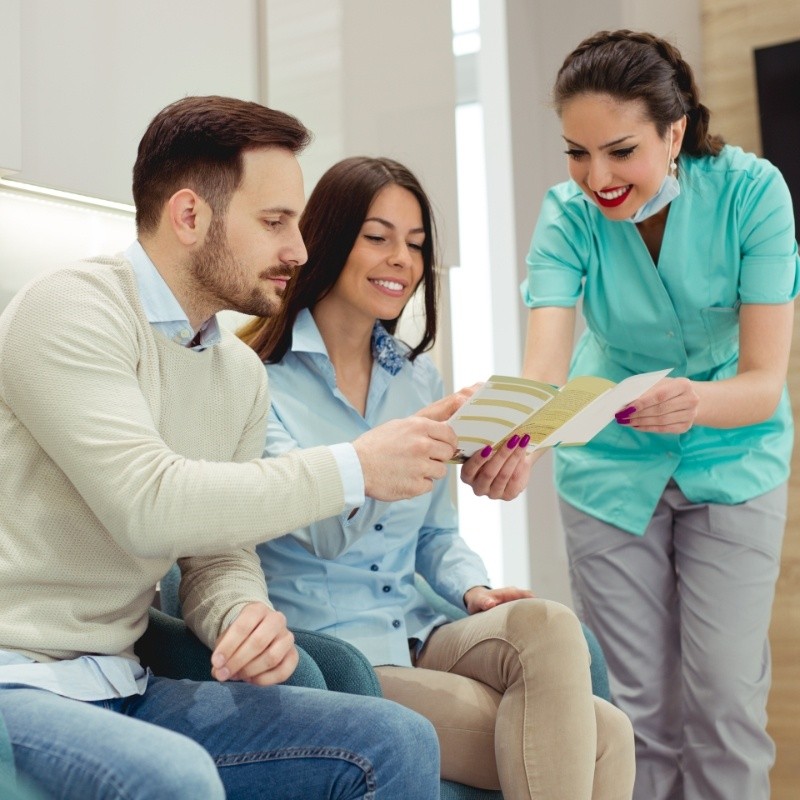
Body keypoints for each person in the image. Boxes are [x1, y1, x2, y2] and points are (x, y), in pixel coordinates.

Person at [0, 95, 467, 800]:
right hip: (16, 681)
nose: (300, 251)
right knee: (175, 776)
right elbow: (148, 504)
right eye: (275, 222)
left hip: (125, 681)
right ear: (190, 216)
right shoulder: (70, 310)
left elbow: (217, 551)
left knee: (395, 738)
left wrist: (240, 615)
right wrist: (355, 467)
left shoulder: (237, 374)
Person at [239, 155, 635, 800]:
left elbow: (436, 535)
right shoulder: (255, 379)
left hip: (421, 625)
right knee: (606, 737)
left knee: (550, 625)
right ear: (329, 239)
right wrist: (400, 443)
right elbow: (321, 533)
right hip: (336, 652)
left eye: (416, 244)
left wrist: (472, 588)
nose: (402, 258)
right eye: (378, 237)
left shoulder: (417, 377)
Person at [519, 30, 800, 800]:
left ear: (674, 131)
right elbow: (544, 367)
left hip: (732, 459)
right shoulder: (567, 215)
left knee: (726, 703)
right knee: (632, 712)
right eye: (577, 153)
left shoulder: (752, 194)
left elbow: (763, 384)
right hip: (607, 466)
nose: (597, 178)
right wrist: (513, 438)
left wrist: (694, 403)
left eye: (620, 151)